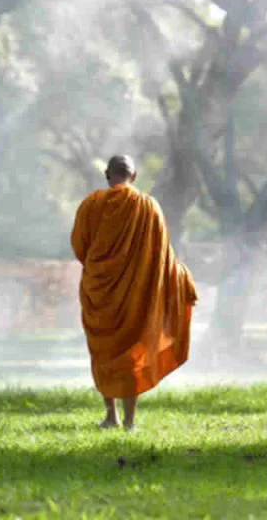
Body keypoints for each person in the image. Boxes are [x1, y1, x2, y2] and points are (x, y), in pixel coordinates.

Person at [71, 154, 198, 430]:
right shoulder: (149, 207)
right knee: (131, 354)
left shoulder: (92, 204)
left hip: (99, 292)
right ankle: (129, 421)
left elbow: (80, 246)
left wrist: (103, 270)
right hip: (136, 294)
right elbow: (161, 256)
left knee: (104, 351)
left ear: (107, 175)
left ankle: (111, 416)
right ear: (135, 176)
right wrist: (181, 277)